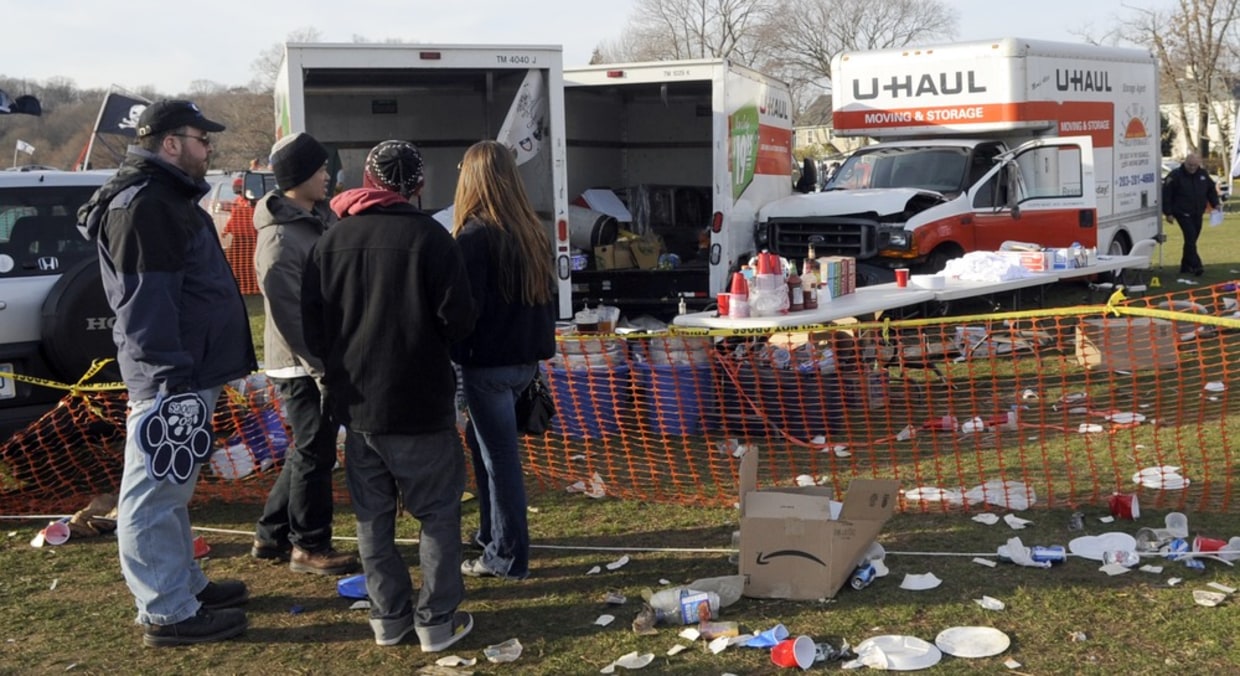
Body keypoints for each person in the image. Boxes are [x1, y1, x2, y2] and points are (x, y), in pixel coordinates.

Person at [77, 99, 257, 648]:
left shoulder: (165, 199)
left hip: (186, 371)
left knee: (171, 491)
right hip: (171, 377)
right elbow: (145, 306)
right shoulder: (146, 206)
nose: (210, 151)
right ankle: (166, 610)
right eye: (203, 140)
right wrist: (171, 379)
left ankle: (183, 587)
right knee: (153, 493)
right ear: (171, 143)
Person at [302, 140, 477, 650]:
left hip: (358, 406)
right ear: (418, 186)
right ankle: (435, 621)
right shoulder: (433, 240)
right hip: (419, 401)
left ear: (367, 179)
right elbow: (459, 322)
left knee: (372, 518)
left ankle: (389, 617)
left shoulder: (330, 241)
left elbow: (312, 328)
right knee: (438, 514)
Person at [250, 132, 359, 576]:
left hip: (318, 358)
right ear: (297, 178)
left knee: (307, 449)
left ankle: (270, 534)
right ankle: (309, 546)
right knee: (316, 452)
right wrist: (320, 368)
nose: (328, 175)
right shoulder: (279, 241)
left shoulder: (318, 218)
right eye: (319, 169)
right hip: (300, 365)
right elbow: (290, 316)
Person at [450, 141, 556, 581]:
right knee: (486, 448)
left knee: (499, 460)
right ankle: (492, 534)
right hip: (523, 363)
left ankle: (508, 555)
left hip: (489, 366)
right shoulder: (530, 232)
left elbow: (462, 311)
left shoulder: (473, 238)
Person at [1162, 151, 1220, 276]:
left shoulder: (1202, 174)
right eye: (1190, 165)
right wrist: (1168, 213)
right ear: (1185, 163)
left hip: (1197, 212)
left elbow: (1211, 190)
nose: (1192, 168)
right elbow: (1166, 195)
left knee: (1192, 239)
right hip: (1182, 212)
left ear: (1198, 164)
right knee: (1190, 236)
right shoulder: (1175, 175)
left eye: (1195, 165)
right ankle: (1196, 265)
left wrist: (1216, 204)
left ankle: (1185, 266)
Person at [221, 182, 260, 294]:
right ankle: (240, 285)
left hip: (251, 237)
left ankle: (253, 286)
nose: (238, 192)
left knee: (251, 263)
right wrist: (226, 229)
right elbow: (234, 217)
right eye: (237, 189)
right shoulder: (237, 201)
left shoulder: (256, 201)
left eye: (239, 189)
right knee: (235, 261)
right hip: (238, 237)